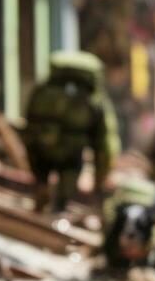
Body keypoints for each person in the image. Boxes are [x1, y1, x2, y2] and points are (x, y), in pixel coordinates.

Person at [22, 52, 120, 212]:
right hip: (71, 156)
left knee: (42, 184)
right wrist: (100, 180)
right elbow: (106, 143)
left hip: (39, 151)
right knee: (62, 200)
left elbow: (29, 123)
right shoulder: (93, 99)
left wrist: (31, 149)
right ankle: (56, 214)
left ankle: (42, 204)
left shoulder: (43, 91)